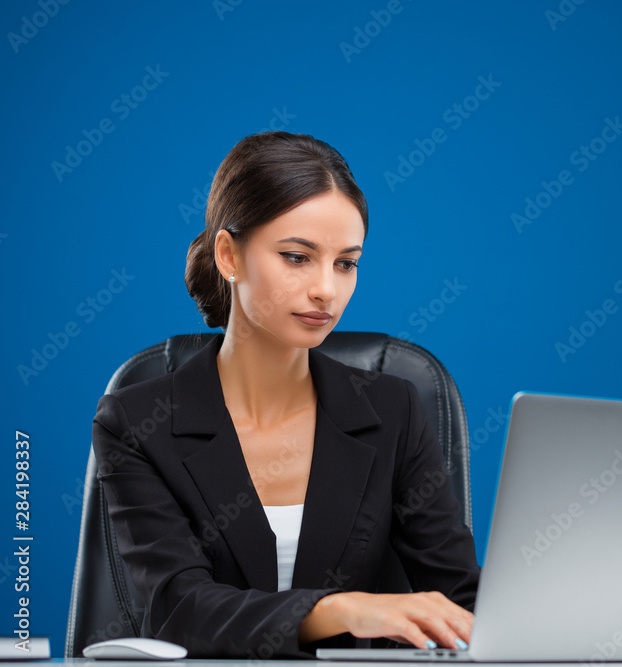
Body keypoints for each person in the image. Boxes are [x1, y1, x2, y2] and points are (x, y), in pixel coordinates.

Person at [90, 131, 480, 658]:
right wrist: (338, 609)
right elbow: (180, 610)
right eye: (298, 257)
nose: (327, 288)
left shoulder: (393, 410)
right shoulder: (138, 422)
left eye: (346, 263)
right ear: (229, 255)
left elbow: (464, 596)